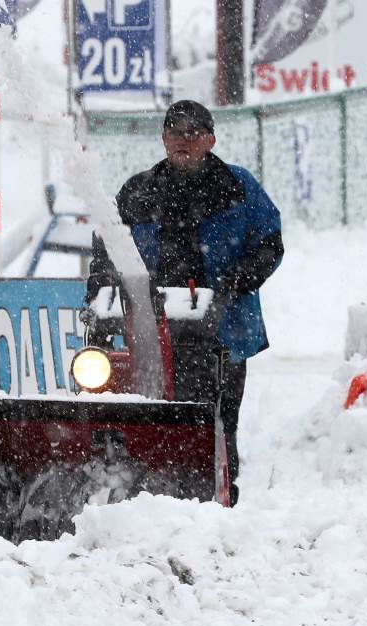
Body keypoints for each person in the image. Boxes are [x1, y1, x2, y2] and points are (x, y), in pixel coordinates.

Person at [87, 99, 284, 505]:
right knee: (148, 414)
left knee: (217, 419)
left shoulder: (237, 188)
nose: (183, 140)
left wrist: (234, 283)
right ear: (163, 138)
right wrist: (103, 291)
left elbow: (269, 243)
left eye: (192, 133)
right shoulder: (139, 191)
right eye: (174, 132)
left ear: (210, 140)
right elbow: (107, 248)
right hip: (150, 328)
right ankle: (148, 493)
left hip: (223, 331)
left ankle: (219, 494)